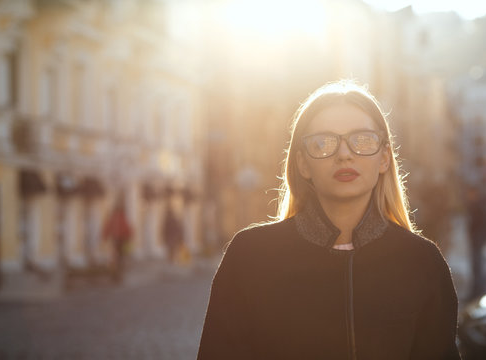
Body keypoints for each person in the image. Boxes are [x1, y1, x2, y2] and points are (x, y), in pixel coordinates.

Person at [197, 80, 461, 359]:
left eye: (362, 140)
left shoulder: (422, 263)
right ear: (302, 163)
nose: (344, 154)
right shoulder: (250, 256)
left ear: (384, 158)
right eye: (323, 143)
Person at [465, 185, 486, 300]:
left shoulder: (478, 206)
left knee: (477, 265)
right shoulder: (475, 205)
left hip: (477, 240)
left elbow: (481, 225)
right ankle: (477, 289)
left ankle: (479, 290)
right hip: (476, 239)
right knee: (476, 265)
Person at [102, 195, 133, 282]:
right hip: (120, 240)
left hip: (118, 241)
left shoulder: (116, 217)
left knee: (117, 258)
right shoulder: (120, 217)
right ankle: (117, 275)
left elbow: (108, 227)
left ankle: (117, 275)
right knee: (119, 258)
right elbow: (128, 230)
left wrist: (105, 236)